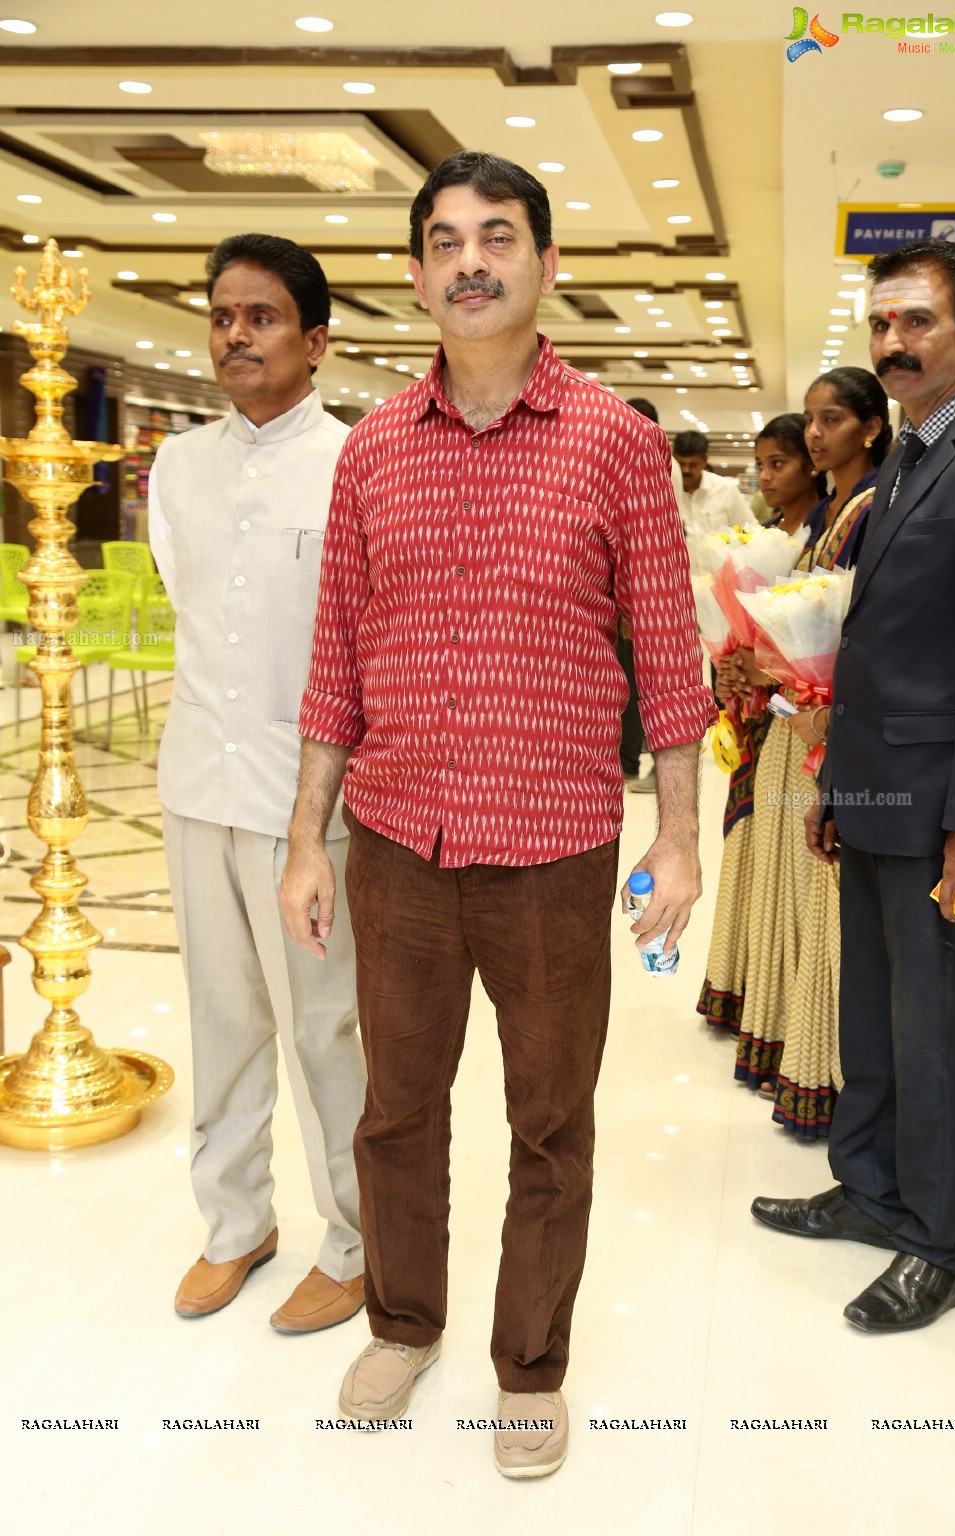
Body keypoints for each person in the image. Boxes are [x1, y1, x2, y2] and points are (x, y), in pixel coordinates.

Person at [279, 151, 716, 1477]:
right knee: (395, 1109)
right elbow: (334, 661)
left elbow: (670, 658)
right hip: (399, 847)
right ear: (416, 274)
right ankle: (404, 1321)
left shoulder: (618, 444)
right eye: (446, 241)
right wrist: (309, 834)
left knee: (550, 1120)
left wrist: (682, 836)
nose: (471, 260)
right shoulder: (367, 454)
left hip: (555, 854)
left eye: (499, 236)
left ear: (546, 264)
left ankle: (530, 1361)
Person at [753, 240, 955, 1332]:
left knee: (941, 1028)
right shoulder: (908, 454)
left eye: (916, 322)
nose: (893, 343)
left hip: (942, 815)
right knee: (871, 1015)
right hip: (870, 790)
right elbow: (878, 636)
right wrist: (834, 787)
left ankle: (943, 1243)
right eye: (881, 325)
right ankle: (871, 1189)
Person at [150, 233, 366, 1332]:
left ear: (315, 340)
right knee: (221, 1018)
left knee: (327, 1025)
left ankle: (359, 1237)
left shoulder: (358, 463)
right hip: (197, 780)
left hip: (308, 807)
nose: (237, 334)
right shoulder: (177, 464)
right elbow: (182, 595)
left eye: (264, 316)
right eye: (224, 315)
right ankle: (236, 1225)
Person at [729, 368, 887, 1097]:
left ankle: (827, 1071)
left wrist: (794, 682)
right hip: (801, 718)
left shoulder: (872, 508)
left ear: (872, 428)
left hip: (836, 728)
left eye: (832, 421)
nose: (817, 434)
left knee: (826, 909)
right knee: (796, 897)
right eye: (811, 421)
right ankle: (795, 1042)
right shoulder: (831, 514)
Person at [697, 413, 822, 1037]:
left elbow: (820, 645)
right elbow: (737, 639)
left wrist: (769, 671)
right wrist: (728, 670)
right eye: (762, 464)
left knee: (793, 865)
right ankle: (752, 990)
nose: (767, 477)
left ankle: (788, 1009)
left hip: (804, 720)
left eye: (780, 463)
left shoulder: (827, 535)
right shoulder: (764, 538)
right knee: (754, 851)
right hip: (767, 718)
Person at [620, 397, 686, 791]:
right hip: (643, 595)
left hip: (648, 595)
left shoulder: (654, 462)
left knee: (645, 681)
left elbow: (648, 541)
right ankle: (635, 759)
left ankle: (637, 762)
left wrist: (632, 607)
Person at [674, 429, 751, 574]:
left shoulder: (725, 490)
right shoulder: (667, 494)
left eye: (693, 464)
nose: (686, 470)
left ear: (704, 461)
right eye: (681, 463)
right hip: (680, 584)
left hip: (721, 583)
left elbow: (750, 532)